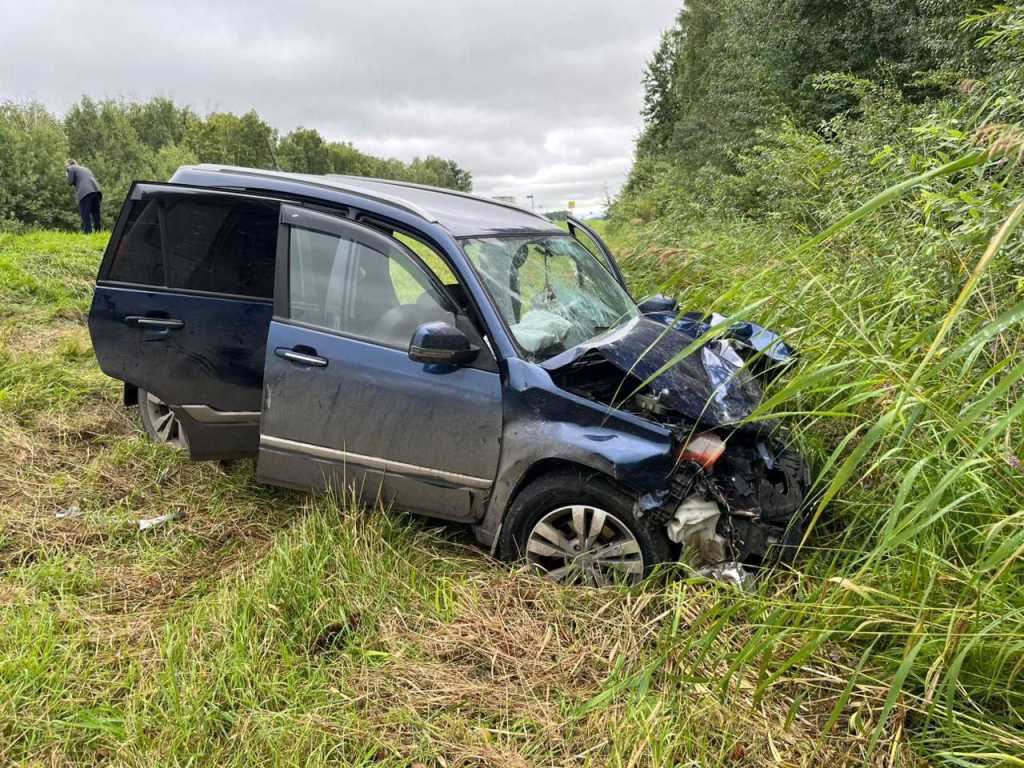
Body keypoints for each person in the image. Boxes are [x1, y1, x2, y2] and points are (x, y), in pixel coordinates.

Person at [66, 160, 102, 233]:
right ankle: (98, 231)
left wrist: (67, 175)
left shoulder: (70, 168)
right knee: (96, 212)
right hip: (96, 190)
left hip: (85, 192)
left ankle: (88, 231)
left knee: (85, 213)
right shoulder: (86, 168)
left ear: (69, 164)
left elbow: (70, 182)